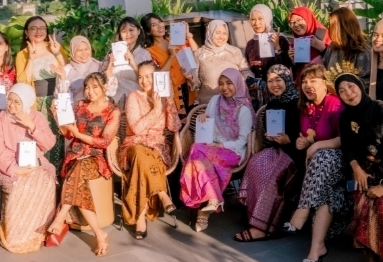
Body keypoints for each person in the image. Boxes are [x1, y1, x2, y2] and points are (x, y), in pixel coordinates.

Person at [336, 72, 383, 262]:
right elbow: (347, 147)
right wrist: (356, 168)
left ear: (360, 86)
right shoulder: (345, 116)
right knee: (362, 208)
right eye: (342, 91)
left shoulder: (381, 110)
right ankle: (371, 255)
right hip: (362, 169)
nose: (348, 93)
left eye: (351, 86)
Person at [47, 73, 121, 257]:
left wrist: (79, 135)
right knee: (77, 172)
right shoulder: (80, 105)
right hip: (74, 155)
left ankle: (61, 216)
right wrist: (57, 117)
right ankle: (100, 234)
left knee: (78, 170)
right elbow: (68, 134)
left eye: (95, 87)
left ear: (105, 87)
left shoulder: (113, 111)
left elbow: (104, 142)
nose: (89, 91)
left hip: (96, 157)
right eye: (87, 87)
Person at [284, 64, 346, 262]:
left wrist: (317, 146)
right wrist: (303, 142)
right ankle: (316, 249)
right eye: (304, 81)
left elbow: (344, 139)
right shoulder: (307, 106)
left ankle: (302, 210)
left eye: (313, 81)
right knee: (327, 193)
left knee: (322, 156)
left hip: (340, 159)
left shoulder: (335, 104)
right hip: (319, 169)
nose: (307, 85)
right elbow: (308, 136)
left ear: (325, 83)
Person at [181, 68, 254, 232]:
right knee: (199, 159)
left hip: (232, 151)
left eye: (229, 83)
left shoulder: (244, 110)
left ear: (238, 84)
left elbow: (242, 141)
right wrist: (204, 118)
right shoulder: (215, 101)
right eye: (221, 84)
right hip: (210, 147)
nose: (224, 87)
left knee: (196, 153)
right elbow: (208, 126)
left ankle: (204, 209)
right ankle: (212, 200)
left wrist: (223, 146)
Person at [235, 65, 302, 242]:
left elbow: (306, 132)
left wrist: (290, 139)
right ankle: (253, 216)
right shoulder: (272, 103)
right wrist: (270, 137)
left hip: (295, 153)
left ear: (287, 80)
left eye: (278, 80)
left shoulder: (299, 103)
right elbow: (269, 131)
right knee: (254, 164)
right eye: (270, 81)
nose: (274, 84)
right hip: (276, 149)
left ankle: (263, 227)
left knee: (270, 176)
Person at [0, 84, 57, 253]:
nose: (12, 105)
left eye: (17, 102)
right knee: (22, 186)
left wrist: (32, 126)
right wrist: (15, 169)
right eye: (9, 100)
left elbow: (49, 143)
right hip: (8, 166)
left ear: (26, 102)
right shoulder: (0, 120)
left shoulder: (36, 117)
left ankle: (38, 233)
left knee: (46, 184)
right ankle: (17, 236)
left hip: (35, 163)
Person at [120, 61, 182, 240]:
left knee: (142, 163)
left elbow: (174, 127)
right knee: (140, 154)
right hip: (133, 145)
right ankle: (162, 194)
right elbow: (137, 129)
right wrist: (156, 110)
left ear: (157, 77)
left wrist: (169, 102)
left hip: (157, 146)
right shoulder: (134, 96)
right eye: (140, 77)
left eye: (148, 77)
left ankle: (140, 218)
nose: (144, 81)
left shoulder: (163, 97)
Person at [15, 16, 67, 168]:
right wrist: (30, 59)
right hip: (37, 102)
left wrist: (57, 53)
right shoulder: (22, 54)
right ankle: (44, 174)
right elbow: (23, 81)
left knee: (61, 137)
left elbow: (68, 71)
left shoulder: (55, 47)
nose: (38, 31)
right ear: (26, 32)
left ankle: (60, 175)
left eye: (42, 28)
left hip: (57, 99)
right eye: (33, 28)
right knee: (41, 138)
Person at [140, 13, 199, 114]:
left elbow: (197, 54)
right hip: (170, 93)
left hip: (188, 86)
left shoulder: (174, 39)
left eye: (160, 22)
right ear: (148, 31)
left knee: (192, 119)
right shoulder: (149, 51)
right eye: (154, 25)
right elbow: (158, 75)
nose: (159, 26)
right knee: (176, 122)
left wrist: (187, 35)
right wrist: (171, 56)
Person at [193, 20, 253, 105]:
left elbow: (245, 70)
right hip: (208, 104)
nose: (221, 37)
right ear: (210, 32)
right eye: (218, 33)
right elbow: (195, 82)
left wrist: (244, 82)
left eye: (224, 33)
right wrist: (190, 79)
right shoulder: (199, 54)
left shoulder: (235, 51)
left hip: (234, 103)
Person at [244, 4, 292, 107]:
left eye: (260, 19)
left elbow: (286, 67)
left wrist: (277, 47)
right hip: (257, 94)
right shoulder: (250, 44)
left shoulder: (280, 39)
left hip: (278, 92)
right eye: (253, 19)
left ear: (268, 18)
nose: (256, 23)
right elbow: (247, 67)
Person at [106, 16, 153, 108]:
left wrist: (133, 63)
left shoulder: (144, 54)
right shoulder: (112, 52)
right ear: (120, 34)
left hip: (136, 101)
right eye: (124, 31)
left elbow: (148, 80)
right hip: (114, 100)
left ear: (138, 31)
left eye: (131, 30)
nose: (128, 34)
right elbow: (103, 75)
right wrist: (109, 66)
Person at [55, 35, 118, 103]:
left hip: (100, 107)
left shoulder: (100, 67)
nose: (84, 53)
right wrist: (63, 79)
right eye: (79, 50)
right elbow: (61, 97)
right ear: (72, 51)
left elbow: (111, 92)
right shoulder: (66, 70)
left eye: (86, 49)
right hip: (77, 108)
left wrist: (109, 73)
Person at [320, 7, 370, 82]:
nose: (329, 29)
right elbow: (324, 70)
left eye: (332, 26)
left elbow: (365, 81)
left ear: (343, 27)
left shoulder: (362, 52)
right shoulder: (333, 47)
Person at [287, 6, 330, 78]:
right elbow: (296, 73)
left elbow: (335, 64)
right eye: (292, 22)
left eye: (299, 20)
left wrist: (323, 49)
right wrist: (293, 61)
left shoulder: (324, 36)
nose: (296, 25)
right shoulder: (294, 45)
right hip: (304, 82)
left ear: (308, 19)